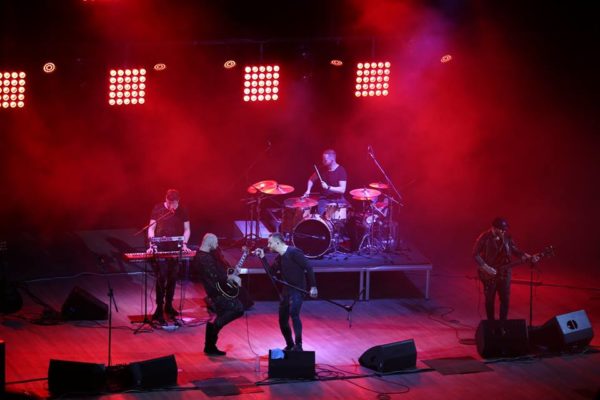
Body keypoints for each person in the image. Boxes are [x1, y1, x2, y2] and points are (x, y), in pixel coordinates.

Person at [255, 233, 317, 351]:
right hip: (287, 290)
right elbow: (271, 274)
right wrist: (263, 258)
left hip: (298, 289)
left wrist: (313, 286)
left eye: (270, 243)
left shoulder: (294, 252)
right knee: (282, 319)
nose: (268, 245)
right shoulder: (279, 258)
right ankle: (290, 344)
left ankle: (298, 345)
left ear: (277, 242)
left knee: (294, 313)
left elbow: (308, 267)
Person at [473, 217, 539, 321]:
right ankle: (491, 323)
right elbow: (475, 254)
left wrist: (528, 256)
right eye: (501, 229)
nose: (504, 231)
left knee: (505, 299)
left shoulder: (507, 237)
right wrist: (486, 268)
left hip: (505, 273)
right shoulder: (485, 237)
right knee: (489, 300)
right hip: (490, 273)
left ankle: (503, 323)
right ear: (494, 228)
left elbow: (515, 251)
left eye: (505, 229)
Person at [195, 233, 245, 356]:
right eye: (216, 242)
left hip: (216, 291)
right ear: (210, 242)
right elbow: (214, 276)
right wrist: (231, 278)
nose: (217, 245)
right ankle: (213, 333)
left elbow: (218, 272)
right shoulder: (204, 258)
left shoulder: (204, 255)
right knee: (238, 309)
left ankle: (210, 346)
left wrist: (230, 274)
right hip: (217, 292)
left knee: (222, 314)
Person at [146, 189, 191, 324]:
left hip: (175, 248)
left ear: (178, 201)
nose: (171, 206)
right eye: (169, 203)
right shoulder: (158, 208)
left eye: (174, 203)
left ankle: (168, 306)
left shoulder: (182, 210)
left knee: (172, 277)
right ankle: (159, 308)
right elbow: (151, 228)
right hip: (160, 247)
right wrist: (152, 244)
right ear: (166, 199)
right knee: (161, 277)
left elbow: (187, 229)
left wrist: (184, 244)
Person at [303, 149, 348, 215]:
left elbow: (342, 190)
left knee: (346, 213)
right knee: (322, 215)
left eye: (325, 160)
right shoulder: (322, 169)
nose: (323, 161)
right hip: (324, 199)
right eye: (323, 159)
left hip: (338, 199)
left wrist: (328, 187)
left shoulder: (341, 170)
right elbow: (311, 179)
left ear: (332, 160)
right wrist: (308, 190)